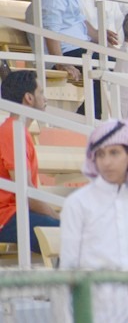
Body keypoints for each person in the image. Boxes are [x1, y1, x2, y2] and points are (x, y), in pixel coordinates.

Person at [60, 120, 128, 323]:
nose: (106, 161)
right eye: (101, 154)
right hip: (92, 308)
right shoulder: (77, 203)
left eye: (114, 153)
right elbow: (68, 268)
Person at [0, 72, 59, 252]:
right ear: (29, 98)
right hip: (6, 217)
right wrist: (56, 216)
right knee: (70, 232)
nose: (45, 98)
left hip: (16, 213)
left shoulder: (16, 130)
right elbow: (26, 192)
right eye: (41, 92)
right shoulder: (12, 131)